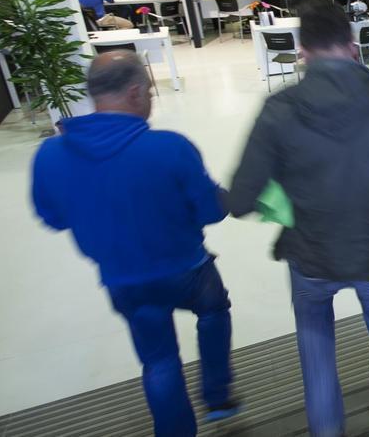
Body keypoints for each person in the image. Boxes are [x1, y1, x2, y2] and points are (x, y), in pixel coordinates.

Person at [227, 0, 369, 437]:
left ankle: (327, 430)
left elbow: (241, 199)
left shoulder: (279, 109)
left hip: (310, 258)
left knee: (316, 346)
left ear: (303, 51)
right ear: (353, 43)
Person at [31, 51, 240, 436]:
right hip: (188, 269)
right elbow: (212, 211)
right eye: (149, 91)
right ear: (135, 92)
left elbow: (53, 217)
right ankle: (217, 396)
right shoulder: (169, 147)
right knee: (213, 312)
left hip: (122, 278)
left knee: (159, 362)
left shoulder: (50, 155)